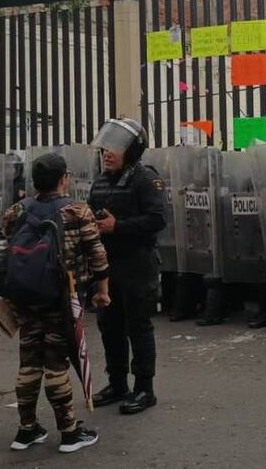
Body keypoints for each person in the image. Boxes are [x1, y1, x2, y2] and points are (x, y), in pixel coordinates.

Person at [0, 153, 110, 454]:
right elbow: (97, 255)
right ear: (64, 179)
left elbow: (4, 248)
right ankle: (70, 432)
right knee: (57, 363)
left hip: (25, 298)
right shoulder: (77, 211)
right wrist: (102, 291)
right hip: (62, 298)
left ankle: (26, 429)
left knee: (29, 361)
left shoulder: (15, 211)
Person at [87, 118, 167, 415]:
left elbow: (157, 220)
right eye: (106, 147)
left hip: (138, 264)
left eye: (116, 147)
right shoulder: (101, 181)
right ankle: (117, 383)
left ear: (132, 150)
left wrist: (117, 226)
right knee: (109, 326)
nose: (108, 152)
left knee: (138, 326)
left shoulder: (146, 179)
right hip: (108, 267)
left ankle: (144, 388)